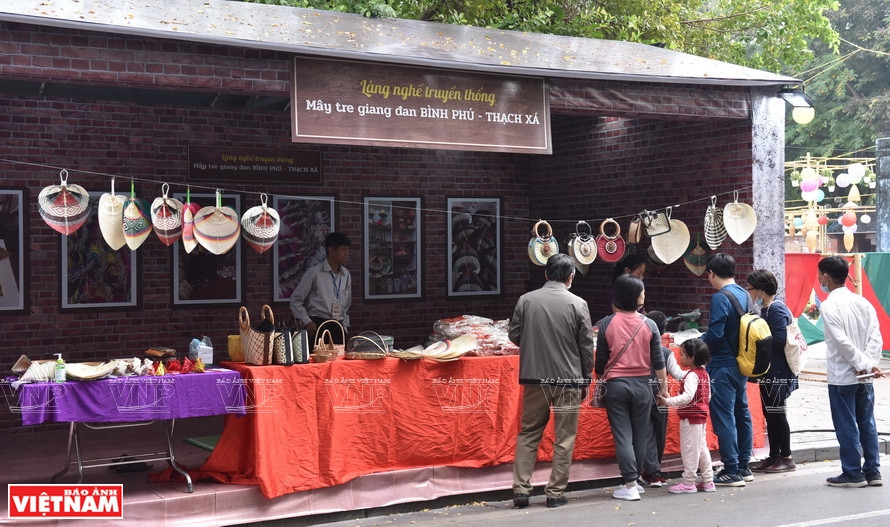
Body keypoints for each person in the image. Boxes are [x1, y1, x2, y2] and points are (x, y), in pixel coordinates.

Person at [508, 253, 595, 509]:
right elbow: (586, 346)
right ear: (571, 277)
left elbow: (514, 334)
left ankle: (521, 490)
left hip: (534, 378)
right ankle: (555, 492)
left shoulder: (526, 300)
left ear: (546, 274)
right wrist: (586, 378)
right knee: (564, 437)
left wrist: (534, 344)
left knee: (528, 434)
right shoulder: (578, 304)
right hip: (568, 379)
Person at [596, 274, 668, 501]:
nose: (644, 295)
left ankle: (629, 484)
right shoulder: (650, 325)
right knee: (640, 434)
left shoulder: (606, 323)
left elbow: (600, 363)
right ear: (636, 297)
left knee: (622, 435)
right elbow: (658, 363)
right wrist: (663, 389)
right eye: (642, 292)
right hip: (644, 386)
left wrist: (600, 381)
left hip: (616, 386)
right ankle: (634, 481)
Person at [818, 256, 885, 488]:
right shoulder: (863, 302)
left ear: (826, 276)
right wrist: (869, 364)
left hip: (843, 376)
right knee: (867, 422)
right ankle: (873, 471)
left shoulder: (829, 305)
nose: (819, 280)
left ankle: (853, 473)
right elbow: (876, 338)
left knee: (846, 423)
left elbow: (841, 341)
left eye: (820, 276)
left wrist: (861, 364)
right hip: (865, 375)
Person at [700, 253, 753, 487]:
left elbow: (716, 333)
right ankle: (743, 465)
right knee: (741, 413)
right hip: (742, 364)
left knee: (724, 416)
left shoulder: (721, 297)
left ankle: (731, 469)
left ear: (712, 273)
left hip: (722, 365)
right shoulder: (745, 294)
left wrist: (696, 344)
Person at [745, 269, 798, 473]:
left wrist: (756, 344)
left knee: (777, 414)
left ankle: (786, 457)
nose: (749, 293)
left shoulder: (775, 310)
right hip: (770, 372)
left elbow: (778, 339)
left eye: (750, 289)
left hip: (778, 373)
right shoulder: (767, 309)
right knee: (770, 414)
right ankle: (774, 455)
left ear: (760, 290)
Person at [656, 339, 714, 494]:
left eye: (682, 354)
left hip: (691, 417)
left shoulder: (691, 376)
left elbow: (687, 397)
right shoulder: (704, 374)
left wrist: (668, 401)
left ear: (692, 357)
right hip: (701, 416)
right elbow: (708, 396)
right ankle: (708, 481)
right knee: (701, 448)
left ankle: (689, 482)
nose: (680, 358)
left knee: (689, 450)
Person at [638, 310, 685, 487]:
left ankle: (652, 472)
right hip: (662, 396)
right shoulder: (666, 353)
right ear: (664, 332)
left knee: (646, 433)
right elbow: (679, 374)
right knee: (659, 433)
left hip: (641, 395)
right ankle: (653, 471)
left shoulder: (639, 349)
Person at [289, 232, 352, 345]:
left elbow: (346, 305)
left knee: (339, 362)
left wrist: (345, 327)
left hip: (338, 326)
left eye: (348, 250)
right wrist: (307, 322)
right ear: (331, 250)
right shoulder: (314, 273)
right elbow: (295, 300)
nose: (347, 253)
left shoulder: (346, 275)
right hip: (317, 324)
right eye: (343, 250)